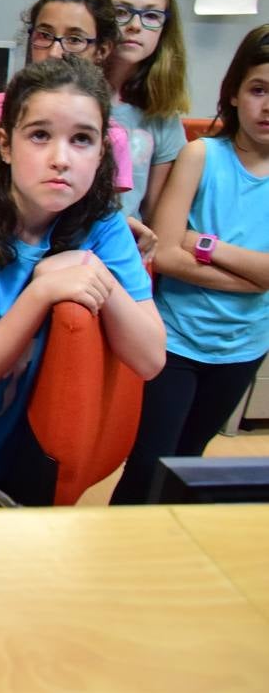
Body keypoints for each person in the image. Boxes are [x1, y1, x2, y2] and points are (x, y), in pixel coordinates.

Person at [0, 56, 165, 506]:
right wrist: (42, 290)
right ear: (4, 144)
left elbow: (150, 357)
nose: (60, 159)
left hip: (35, 457)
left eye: (82, 140)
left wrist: (95, 272)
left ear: (102, 152)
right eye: (40, 135)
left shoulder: (102, 223)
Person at [110, 25, 269, 504]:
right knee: (147, 465)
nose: (267, 106)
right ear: (235, 93)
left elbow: (188, 248)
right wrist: (253, 276)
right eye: (259, 89)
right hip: (177, 342)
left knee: (189, 466)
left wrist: (204, 244)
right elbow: (167, 252)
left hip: (243, 347)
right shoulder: (201, 156)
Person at [0, 0, 141, 254]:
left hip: (71, 254)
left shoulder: (112, 136)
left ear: (102, 50)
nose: (55, 51)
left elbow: (102, 219)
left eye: (74, 39)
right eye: (44, 35)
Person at [94, 0, 190, 228]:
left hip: (123, 248)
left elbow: (154, 216)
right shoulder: (67, 95)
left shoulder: (162, 116)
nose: (135, 25)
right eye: (121, 12)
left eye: (151, 16)